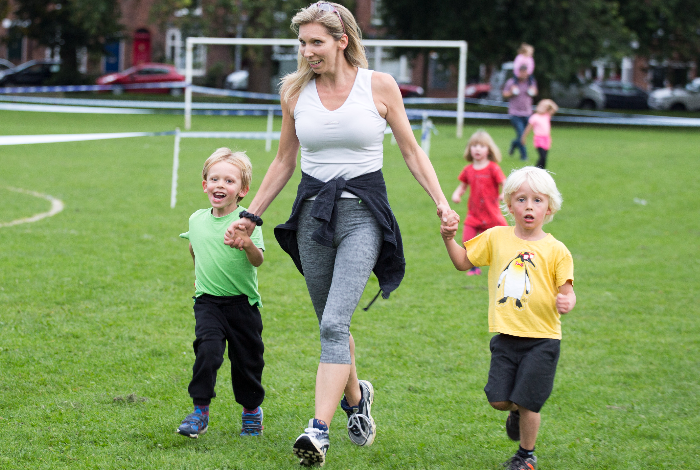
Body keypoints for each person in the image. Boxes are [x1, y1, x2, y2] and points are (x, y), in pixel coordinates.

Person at [224, 2, 454, 466]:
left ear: (342, 41)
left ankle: (318, 430)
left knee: (333, 323)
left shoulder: (379, 86)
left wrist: (441, 201)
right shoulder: (294, 91)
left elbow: (410, 150)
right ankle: (357, 398)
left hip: (363, 215)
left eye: (316, 42)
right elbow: (284, 161)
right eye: (303, 43)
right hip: (312, 216)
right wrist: (251, 214)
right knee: (332, 321)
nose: (307, 51)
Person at [440, 166, 576, 470]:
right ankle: (514, 411)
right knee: (498, 400)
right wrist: (449, 238)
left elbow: (567, 290)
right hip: (506, 337)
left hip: (543, 340)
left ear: (549, 207)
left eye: (537, 200)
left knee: (529, 401)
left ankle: (526, 456)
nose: (529, 206)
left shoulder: (557, 250)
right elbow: (463, 261)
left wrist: (568, 300)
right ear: (509, 204)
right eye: (522, 199)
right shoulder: (496, 237)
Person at [177, 148, 266, 439]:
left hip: (242, 304)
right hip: (208, 303)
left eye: (229, 181)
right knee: (207, 350)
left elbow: (258, 260)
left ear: (243, 190)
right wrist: (198, 276)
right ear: (205, 185)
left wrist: (247, 243)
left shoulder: (247, 221)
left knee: (247, 362)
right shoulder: (196, 220)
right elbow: (194, 247)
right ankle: (199, 411)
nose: (220, 185)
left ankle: (252, 412)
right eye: (214, 179)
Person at [451, 129, 508, 276]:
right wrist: (457, 194)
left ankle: (507, 265)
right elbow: (463, 185)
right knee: (467, 241)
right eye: (474, 145)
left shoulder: (493, 168)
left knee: (504, 240)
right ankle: (474, 268)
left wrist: (503, 193)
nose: (477, 149)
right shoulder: (468, 169)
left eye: (482, 146)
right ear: (469, 149)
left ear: (489, 150)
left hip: (492, 213)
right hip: (474, 214)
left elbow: (504, 182)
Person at [503, 65, 538, 161]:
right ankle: (524, 156)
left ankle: (514, 144)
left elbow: (535, 92)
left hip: (527, 113)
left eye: (525, 72)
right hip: (515, 113)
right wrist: (512, 92)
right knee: (521, 133)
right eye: (521, 72)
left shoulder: (530, 82)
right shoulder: (512, 82)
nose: (523, 74)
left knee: (522, 135)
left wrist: (531, 91)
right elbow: (504, 94)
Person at [521, 99, 559, 169]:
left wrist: (548, 102)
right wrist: (524, 137)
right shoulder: (535, 117)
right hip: (539, 138)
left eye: (544, 107)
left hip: (546, 138)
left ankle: (542, 171)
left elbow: (555, 108)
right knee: (542, 156)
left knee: (545, 158)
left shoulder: (547, 115)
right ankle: (536, 170)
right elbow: (528, 128)